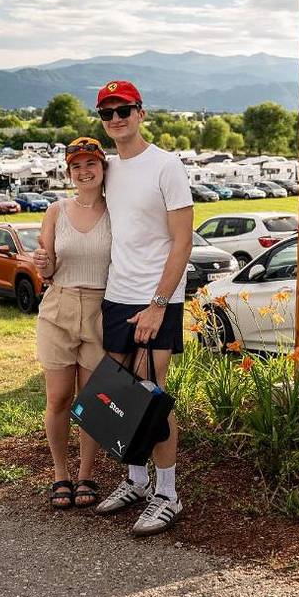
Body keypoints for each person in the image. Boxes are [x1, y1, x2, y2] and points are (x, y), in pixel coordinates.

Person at [93, 80, 193, 536]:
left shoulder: (166, 166)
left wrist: (157, 305)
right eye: (108, 112)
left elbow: (182, 242)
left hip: (158, 299)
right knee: (122, 395)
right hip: (117, 296)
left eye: (124, 110)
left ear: (141, 112)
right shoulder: (109, 168)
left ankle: (168, 494)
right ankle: (135, 481)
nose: (116, 118)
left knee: (152, 394)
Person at [32, 136, 112, 510]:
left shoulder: (116, 210)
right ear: (69, 172)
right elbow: (45, 266)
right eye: (76, 166)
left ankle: (86, 475)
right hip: (59, 307)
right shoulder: (56, 210)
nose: (84, 171)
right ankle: (60, 474)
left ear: (102, 168)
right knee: (59, 397)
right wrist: (43, 266)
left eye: (90, 164)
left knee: (92, 401)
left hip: (100, 309)